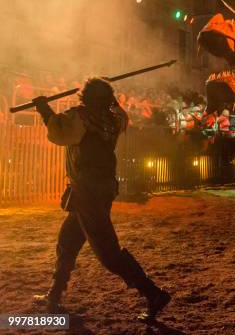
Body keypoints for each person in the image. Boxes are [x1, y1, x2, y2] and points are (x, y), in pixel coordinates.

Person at [31, 78, 171, 322]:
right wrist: (111, 98)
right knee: (67, 241)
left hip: (88, 191)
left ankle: (153, 293)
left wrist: (44, 108)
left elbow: (59, 132)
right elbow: (122, 114)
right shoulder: (113, 119)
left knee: (108, 253)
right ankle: (54, 296)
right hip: (97, 188)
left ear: (86, 97)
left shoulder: (81, 116)